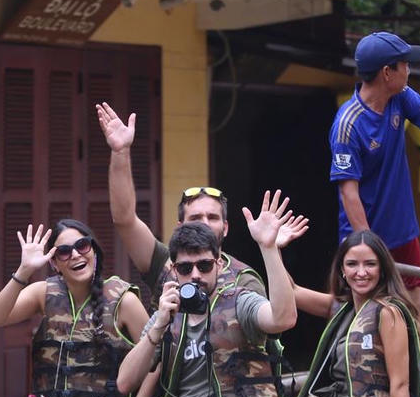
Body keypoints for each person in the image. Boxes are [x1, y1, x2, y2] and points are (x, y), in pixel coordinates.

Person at [66, 190, 298, 397]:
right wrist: (158, 326)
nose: (196, 275)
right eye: (186, 268)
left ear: (217, 263)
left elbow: (283, 318)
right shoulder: (169, 310)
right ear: (174, 270)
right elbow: (125, 382)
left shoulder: (239, 299)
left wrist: (269, 249)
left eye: (204, 265)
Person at [96, 102, 309, 305]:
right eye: (195, 218)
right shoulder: (164, 263)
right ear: (180, 226)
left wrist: (270, 248)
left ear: (225, 228)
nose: (204, 223)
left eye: (213, 217)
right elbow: (125, 219)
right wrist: (120, 152)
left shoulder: (245, 280)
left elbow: (278, 321)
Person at [330, 31, 420, 309]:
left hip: (404, 232)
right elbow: (349, 193)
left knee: (413, 313)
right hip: (367, 237)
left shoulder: (400, 96)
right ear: (387, 72)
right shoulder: (348, 125)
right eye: (406, 64)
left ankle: (416, 354)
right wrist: (368, 248)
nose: (409, 70)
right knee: (371, 316)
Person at [0, 218, 148, 397]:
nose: (75, 254)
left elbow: (155, 364)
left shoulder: (124, 300)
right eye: (64, 252)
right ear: (54, 263)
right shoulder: (43, 293)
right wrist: (24, 270)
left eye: (83, 246)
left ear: (94, 251)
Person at [287, 230, 420, 397]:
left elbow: (400, 384)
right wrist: (271, 247)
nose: (361, 272)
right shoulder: (342, 309)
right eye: (352, 264)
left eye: (370, 264)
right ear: (342, 270)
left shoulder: (388, 313)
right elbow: (290, 291)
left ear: (382, 269)